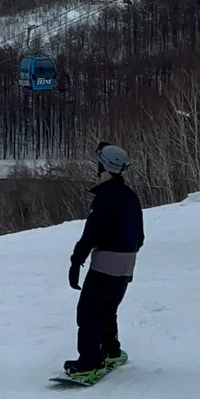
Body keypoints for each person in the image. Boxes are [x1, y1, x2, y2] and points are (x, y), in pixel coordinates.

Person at [65, 142, 144, 377]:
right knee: (108, 308)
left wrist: (76, 261)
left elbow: (92, 232)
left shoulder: (105, 196)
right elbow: (140, 236)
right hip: (128, 263)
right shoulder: (130, 196)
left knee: (88, 311)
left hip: (106, 262)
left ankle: (90, 361)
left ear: (105, 168)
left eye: (99, 165)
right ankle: (111, 350)